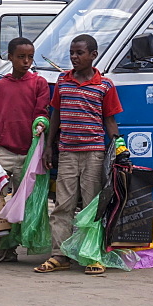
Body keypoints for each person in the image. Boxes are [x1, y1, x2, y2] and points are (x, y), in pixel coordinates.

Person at [36, 34, 123, 276]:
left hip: (94, 153)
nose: (74, 57)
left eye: (80, 53)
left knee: (92, 206)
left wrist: (119, 147)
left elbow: (110, 120)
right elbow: (56, 116)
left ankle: (91, 255)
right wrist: (49, 146)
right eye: (72, 53)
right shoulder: (63, 82)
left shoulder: (104, 85)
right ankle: (59, 255)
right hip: (67, 153)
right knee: (62, 205)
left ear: (93, 55)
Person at [0, 37, 50, 263]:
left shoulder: (39, 84)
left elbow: (43, 112)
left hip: (29, 153)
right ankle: (2, 247)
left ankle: (20, 242)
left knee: (25, 201)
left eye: (30, 57)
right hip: (4, 152)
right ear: (9, 57)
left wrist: (41, 124)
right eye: (21, 57)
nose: (26, 61)